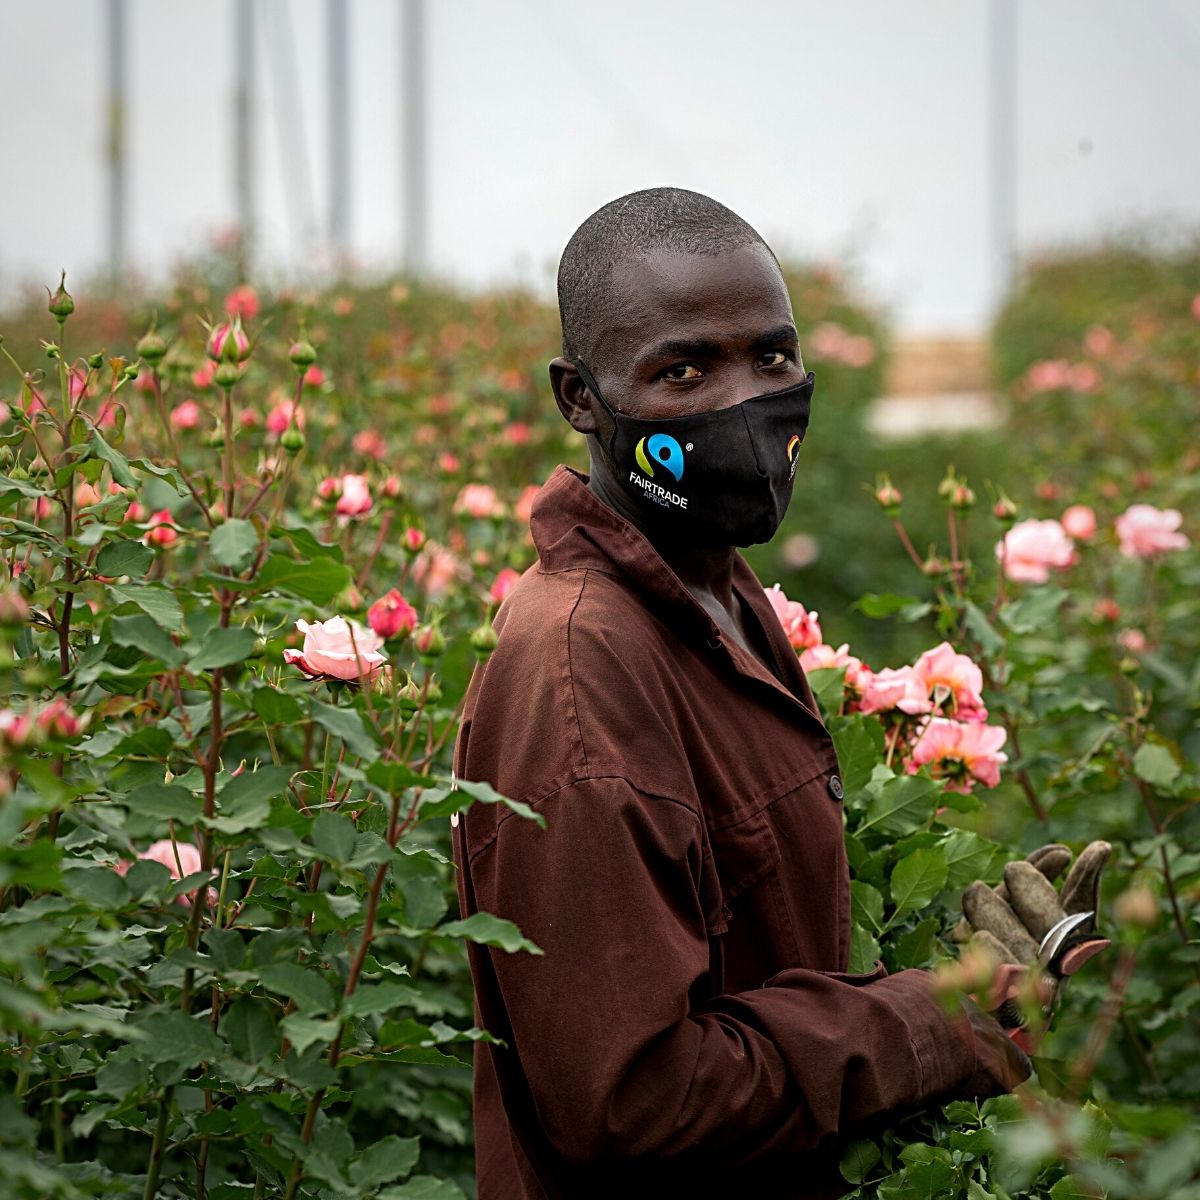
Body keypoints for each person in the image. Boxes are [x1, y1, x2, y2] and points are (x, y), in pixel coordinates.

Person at [451, 187, 1030, 1199]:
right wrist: (938, 1021)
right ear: (579, 398)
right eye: (682, 370)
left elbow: (754, 960)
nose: (741, 406)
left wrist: (987, 978)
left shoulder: (717, 593)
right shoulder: (585, 673)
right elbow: (631, 1103)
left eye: (770, 357)